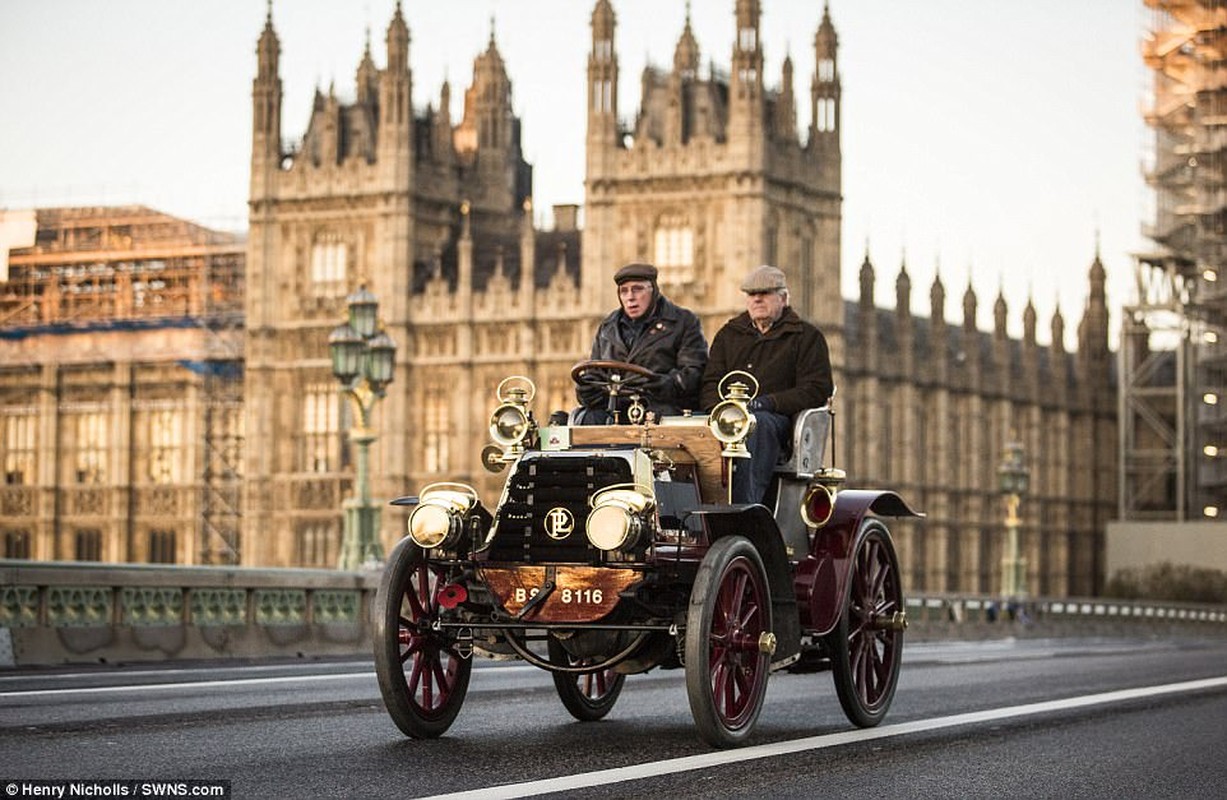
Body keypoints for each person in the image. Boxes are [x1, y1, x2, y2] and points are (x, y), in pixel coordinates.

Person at [700, 265, 834, 504]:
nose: (757, 299)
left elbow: (816, 389)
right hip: (727, 418)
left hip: (778, 422)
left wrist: (768, 403)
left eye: (765, 293)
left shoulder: (806, 337)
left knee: (757, 425)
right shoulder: (729, 335)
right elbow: (710, 382)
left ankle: (745, 506)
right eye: (752, 295)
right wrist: (720, 410)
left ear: (783, 298)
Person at [576, 262, 708, 423]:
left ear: (653, 290)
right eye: (624, 291)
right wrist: (586, 390)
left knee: (663, 419)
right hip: (616, 412)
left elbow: (693, 373)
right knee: (586, 419)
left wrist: (665, 384)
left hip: (661, 409)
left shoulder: (683, 322)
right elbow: (595, 373)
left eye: (637, 289)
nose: (630, 297)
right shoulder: (607, 328)